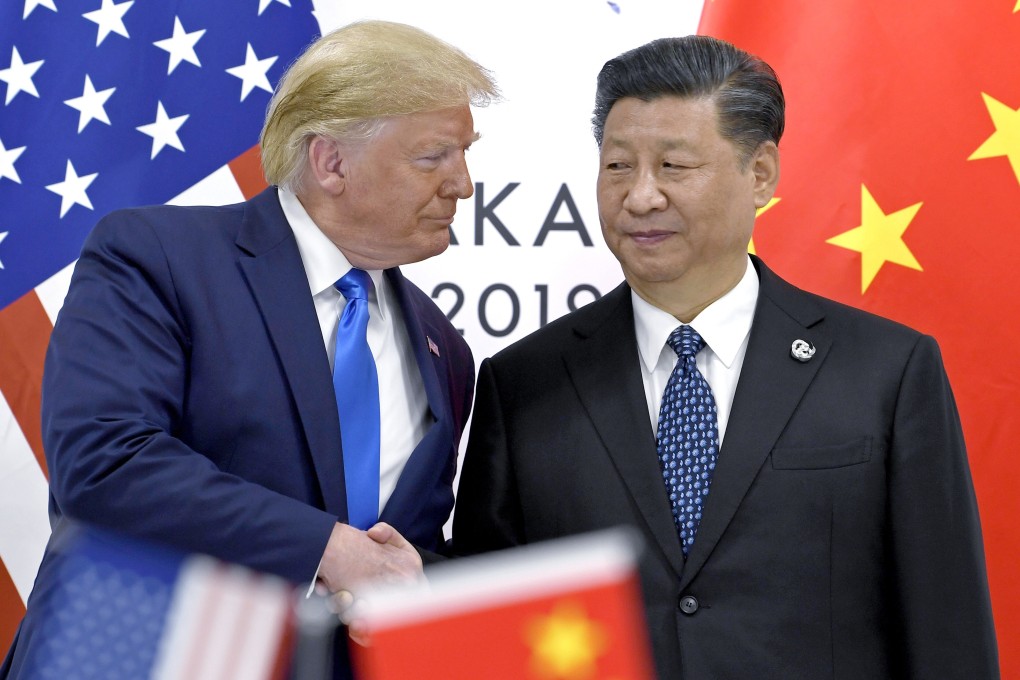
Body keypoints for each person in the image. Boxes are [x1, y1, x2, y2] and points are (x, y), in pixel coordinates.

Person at [453, 35, 998, 678]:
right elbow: (488, 627)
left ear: (760, 174)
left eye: (674, 167)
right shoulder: (524, 384)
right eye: (618, 165)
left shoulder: (885, 371)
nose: (640, 197)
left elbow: (946, 629)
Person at [2, 20, 497, 679]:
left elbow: (399, 556)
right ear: (331, 162)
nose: (463, 185)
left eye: (465, 155)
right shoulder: (158, 258)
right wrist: (328, 548)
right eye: (434, 156)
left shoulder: (445, 351)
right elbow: (105, 462)